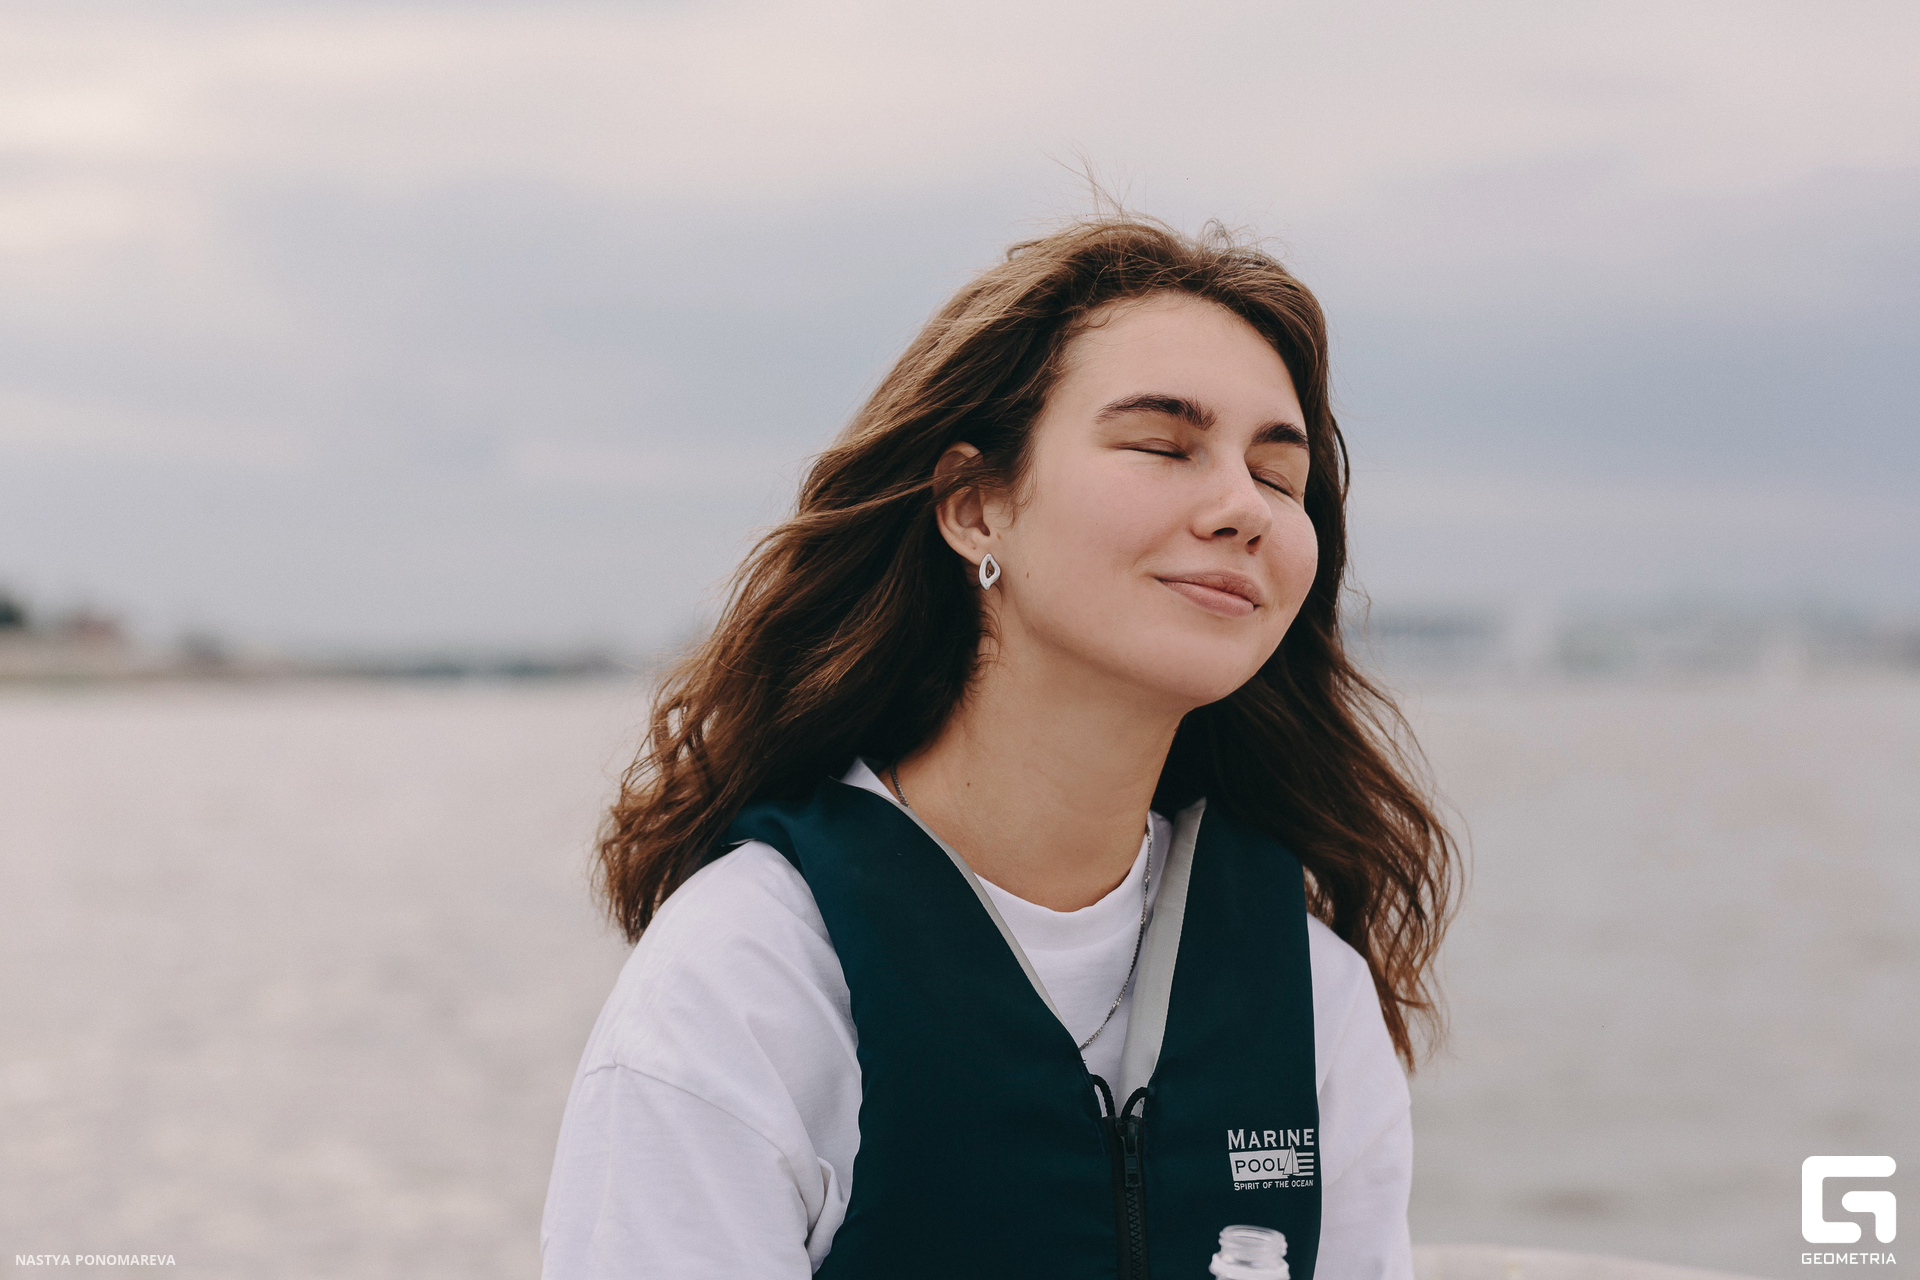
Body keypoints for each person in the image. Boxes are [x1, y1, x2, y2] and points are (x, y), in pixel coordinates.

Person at [541, 216, 1458, 1279]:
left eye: (1279, 475)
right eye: (1164, 446)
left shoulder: (1309, 998)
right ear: (975, 507)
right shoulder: (754, 977)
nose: (1241, 508)